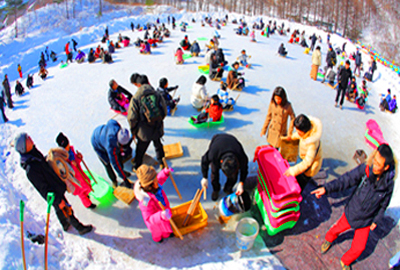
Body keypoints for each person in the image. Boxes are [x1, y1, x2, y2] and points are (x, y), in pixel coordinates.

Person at [312, 144, 395, 270]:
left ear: (386, 167)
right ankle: (329, 239)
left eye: (378, 164)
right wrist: (326, 188)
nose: (374, 165)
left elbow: (384, 204)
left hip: (366, 221)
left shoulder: (388, 185)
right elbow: (346, 180)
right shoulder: (366, 169)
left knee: (359, 248)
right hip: (352, 212)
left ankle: (345, 261)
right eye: (375, 160)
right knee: (336, 230)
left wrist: (376, 220)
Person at [14, 133, 93, 235]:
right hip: (52, 191)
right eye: (27, 138)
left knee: (58, 208)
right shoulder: (31, 169)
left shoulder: (33, 152)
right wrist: (57, 200)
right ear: (24, 146)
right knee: (65, 208)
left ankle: (64, 224)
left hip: (54, 184)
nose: (30, 137)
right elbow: (42, 189)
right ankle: (80, 228)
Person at [127, 75, 167, 170]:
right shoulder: (157, 94)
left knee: (140, 149)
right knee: (158, 145)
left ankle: (137, 166)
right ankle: (162, 163)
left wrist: (133, 130)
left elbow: (131, 118)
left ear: (139, 85)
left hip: (144, 131)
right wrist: (158, 120)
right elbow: (164, 111)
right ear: (148, 82)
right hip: (157, 127)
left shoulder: (136, 98)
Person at [200, 133, 249, 201]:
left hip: (232, 141)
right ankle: (216, 190)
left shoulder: (241, 157)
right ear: (221, 163)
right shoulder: (213, 154)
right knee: (214, 173)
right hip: (217, 141)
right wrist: (204, 177)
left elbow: (244, 170)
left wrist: (241, 183)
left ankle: (228, 188)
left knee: (234, 177)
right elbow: (204, 161)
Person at [55, 132, 96, 209]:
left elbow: (77, 162)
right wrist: (73, 166)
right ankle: (88, 205)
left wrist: (79, 157)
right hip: (75, 181)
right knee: (81, 194)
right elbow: (68, 172)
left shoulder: (71, 151)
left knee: (87, 186)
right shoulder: (62, 158)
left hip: (81, 174)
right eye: (66, 147)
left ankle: (87, 196)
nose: (68, 148)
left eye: (68, 145)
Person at [134, 164, 173, 243]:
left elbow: (160, 179)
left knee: (166, 227)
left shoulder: (155, 185)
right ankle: (157, 239)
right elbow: (149, 219)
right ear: (149, 186)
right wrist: (161, 216)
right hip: (156, 223)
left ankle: (167, 234)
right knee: (158, 232)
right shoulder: (145, 201)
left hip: (164, 212)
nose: (157, 182)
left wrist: (165, 173)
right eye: (155, 181)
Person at [283, 114, 323, 190]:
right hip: (302, 156)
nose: (297, 132)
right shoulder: (306, 132)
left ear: (305, 131)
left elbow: (307, 163)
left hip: (310, 166)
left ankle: (297, 193)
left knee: (301, 181)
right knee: (296, 173)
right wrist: (290, 137)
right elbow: (298, 135)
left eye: (299, 131)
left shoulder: (312, 144)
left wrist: (293, 170)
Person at [91, 119, 133, 188]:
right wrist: (125, 179)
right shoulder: (111, 148)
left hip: (103, 131)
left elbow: (110, 121)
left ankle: (123, 172)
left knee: (119, 157)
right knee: (107, 163)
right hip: (97, 142)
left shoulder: (117, 127)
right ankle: (114, 180)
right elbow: (116, 164)